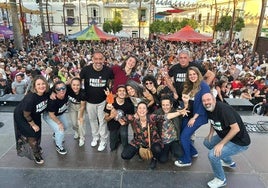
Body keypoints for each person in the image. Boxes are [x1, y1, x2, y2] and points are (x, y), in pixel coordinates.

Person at [201, 93, 250, 188]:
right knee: (207, 142)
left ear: (214, 100)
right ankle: (228, 162)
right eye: (204, 100)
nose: (206, 102)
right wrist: (211, 133)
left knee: (213, 155)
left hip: (239, 141)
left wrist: (221, 144)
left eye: (208, 99)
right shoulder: (209, 108)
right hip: (225, 136)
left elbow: (236, 129)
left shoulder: (223, 110)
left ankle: (220, 179)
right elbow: (213, 121)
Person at [121, 101, 188, 170]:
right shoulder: (134, 118)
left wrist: (179, 112)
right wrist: (122, 120)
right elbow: (122, 118)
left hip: (153, 140)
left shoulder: (151, 117)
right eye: (139, 108)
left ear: (147, 111)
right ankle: (139, 151)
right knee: (125, 155)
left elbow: (166, 116)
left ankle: (154, 158)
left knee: (157, 149)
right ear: (137, 110)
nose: (142, 110)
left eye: (144, 108)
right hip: (139, 141)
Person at [174, 66, 210, 167]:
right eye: (190, 74)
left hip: (199, 116)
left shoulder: (204, 86)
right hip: (189, 114)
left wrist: (194, 118)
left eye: (194, 74)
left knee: (184, 136)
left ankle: (186, 160)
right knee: (183, 133)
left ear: (198, 74)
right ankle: (193, 152)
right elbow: (188, 104)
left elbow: (205, 104)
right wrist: (184, 106)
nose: (192, 76)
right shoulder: (190, 85)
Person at [80, 51, 114, 152]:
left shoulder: (108, 70)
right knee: (92, 121)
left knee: (103, 121)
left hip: (103, 101)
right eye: (96, 59)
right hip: (89, 101)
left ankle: (103, 140)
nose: (98, 61)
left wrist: (110, 100)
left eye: (100, 59)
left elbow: (111, 85)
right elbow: (78, 82)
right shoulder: (86, 70)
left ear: (103, 60)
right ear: (93, 59)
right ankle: (95, 137)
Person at [13, 75, 50, 164]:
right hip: (23, 116)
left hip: (34, 114)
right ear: (34, 87)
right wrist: (32, 124)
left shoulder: (46, 93)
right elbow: (26, 114)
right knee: (32, 133)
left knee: (38, 131)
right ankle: (36, 153)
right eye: (38, 84)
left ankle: (36, 146)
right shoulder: (31, 98)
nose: (41, 86)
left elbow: (60, 86)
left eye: (43, 83)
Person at [153, 95, 183, 163]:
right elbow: (150, 119)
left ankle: (172, 150)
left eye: (167, 105)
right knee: (162, 160)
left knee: (179, 154)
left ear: (171, 105)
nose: (165, 107)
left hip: (174, 140)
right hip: (163, 141)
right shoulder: (157, 113)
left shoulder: (176, 112)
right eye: (163, 105)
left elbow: (186, 111)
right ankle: (167, 150)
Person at [104, 85, 135, 151]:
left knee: (124, 135)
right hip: (112, 124)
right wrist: (111, 116)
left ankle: (125, 146)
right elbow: (106, 118)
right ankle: (117, 137)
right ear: (117, 93)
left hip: (123, 123)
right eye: (120, 91)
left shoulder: (129, 104)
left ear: (126, 93)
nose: (122, 92)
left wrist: (126, 121)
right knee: (112, 147)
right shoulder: (111, 101)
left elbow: (131, 117)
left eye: (124, 91)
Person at [43, 81, 69, 155]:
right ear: (55, 90)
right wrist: (59, 123)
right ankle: (59, 146)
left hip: (60, 113)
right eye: (58, 89)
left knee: (66, 126)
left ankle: (55, 135)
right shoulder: (52, 101)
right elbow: (51, 115)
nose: (61, 90)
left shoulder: (67, 92)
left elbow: (71, 81)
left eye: (63, 88)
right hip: (50, 115)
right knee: (60, 130)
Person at [67, 77, 87, 147]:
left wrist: (80, 116)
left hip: (80, 107)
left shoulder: (83, 92)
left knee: (80, 123)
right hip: (72, 106)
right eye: (74, 85)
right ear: (71, 85)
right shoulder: (68, 89)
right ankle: (76, 131)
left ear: (80, 85)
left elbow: (82, 106)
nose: (76, 87)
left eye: (78, 85)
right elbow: (59, 86)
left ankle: (82, 137)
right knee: (74, 124)